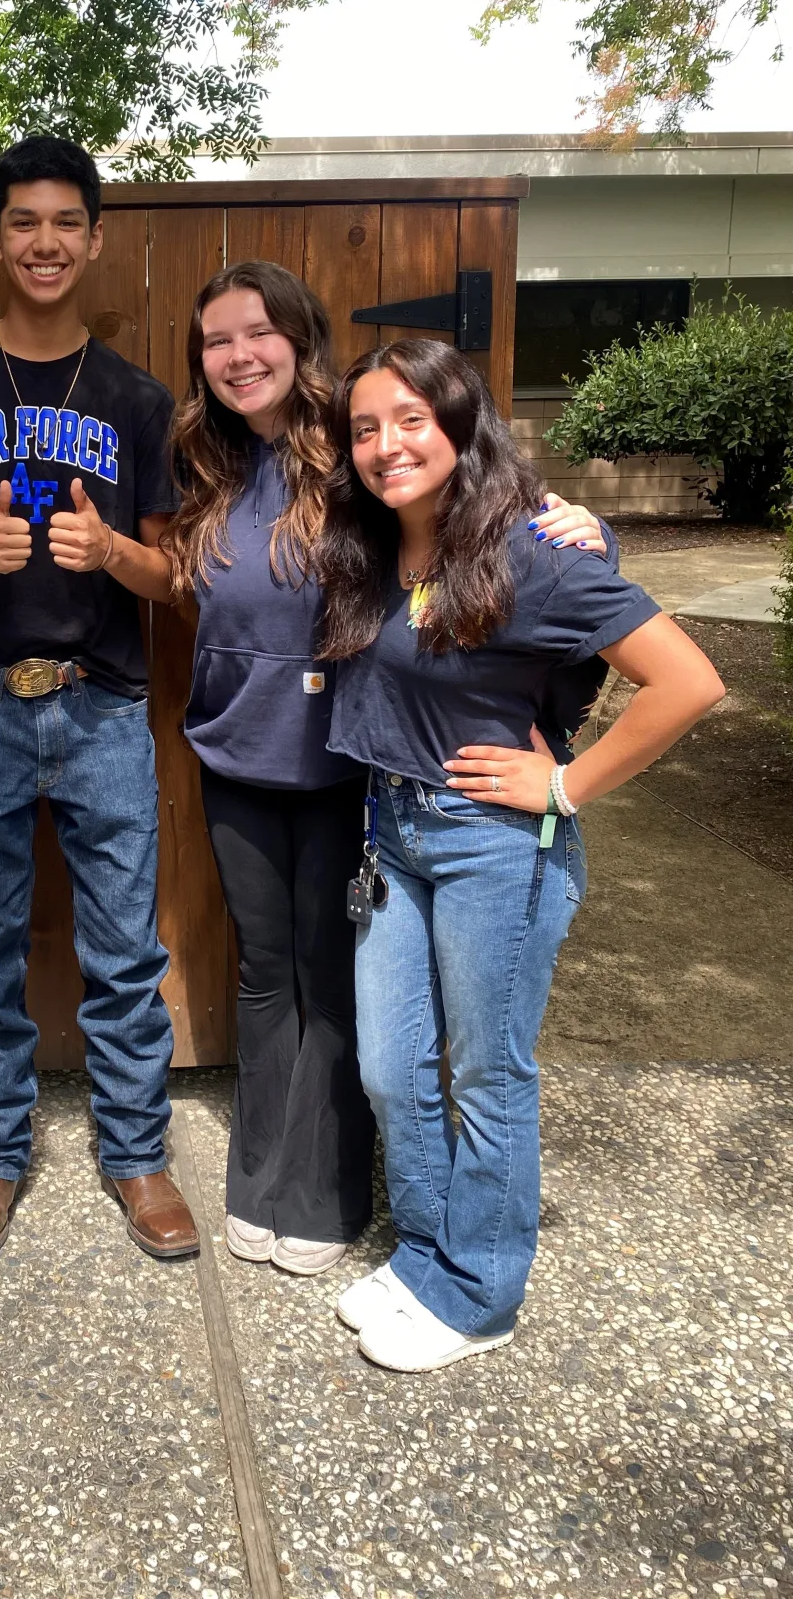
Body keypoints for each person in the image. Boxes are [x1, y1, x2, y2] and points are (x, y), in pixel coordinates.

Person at [164, 262, 607, 1279]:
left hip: (349, 765)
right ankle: (260, 1180)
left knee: (334, 980)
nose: (240, 355)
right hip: (236, 755)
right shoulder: (208, 461)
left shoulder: (356, 445)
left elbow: (484, 510)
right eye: (217, 340)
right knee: (265, 974)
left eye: (259, 332)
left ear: (300, 338)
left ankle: (328, 1191)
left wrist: (592, 529)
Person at [319, 338, 724, 1372]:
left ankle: (481, 1295)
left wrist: (564, 785)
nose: (386, 444)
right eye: (365, 428)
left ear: (460, 426)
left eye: (411, 419)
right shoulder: (372, 548)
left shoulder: (533, 551)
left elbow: (688, 682)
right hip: (393, 833)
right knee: (392, 1069)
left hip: (495, 848)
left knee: (487, 1076)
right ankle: (428, 1255)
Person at [0, 135, 199, 1263]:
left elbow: (173, 578)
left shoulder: (135, 400)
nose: (46, 242)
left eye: (67, 221)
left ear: (97, 239)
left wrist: (110, 551)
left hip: (103, 705)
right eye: (24, 221)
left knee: (124, 952)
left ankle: (138, 1155)